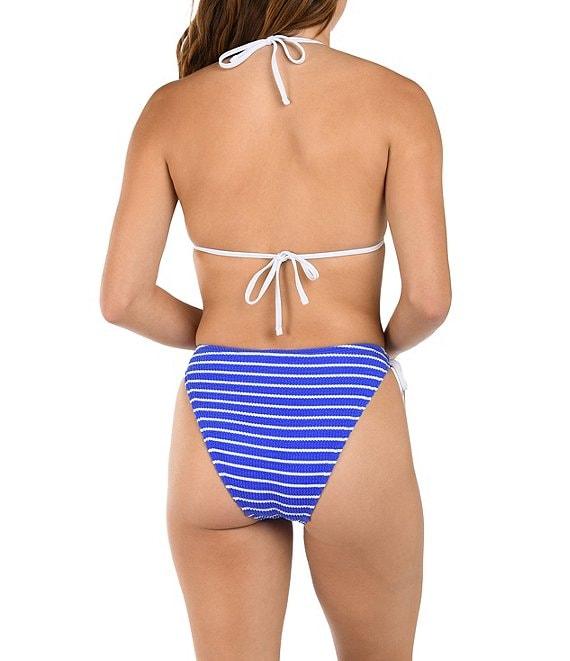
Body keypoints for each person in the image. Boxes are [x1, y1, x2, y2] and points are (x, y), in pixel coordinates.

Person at [100, 1, 451, 658]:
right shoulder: (397, 100)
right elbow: (429, 300)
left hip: (220, 402)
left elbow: (123, 299)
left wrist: (220, 330)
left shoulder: (171, 109)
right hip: (348, 395)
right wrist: (378, 348)